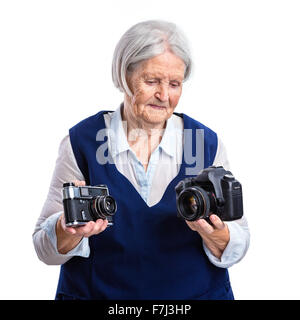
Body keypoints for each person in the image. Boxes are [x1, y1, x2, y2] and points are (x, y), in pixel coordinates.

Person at [33, 20, 250, 300]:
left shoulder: (202, 142)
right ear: (124, 76)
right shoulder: (85, 142)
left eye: (174, 84)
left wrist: (218, 235)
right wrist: (67, 230)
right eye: (151, 81)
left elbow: (240, 240)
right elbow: (43, 248)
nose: (164, 95)